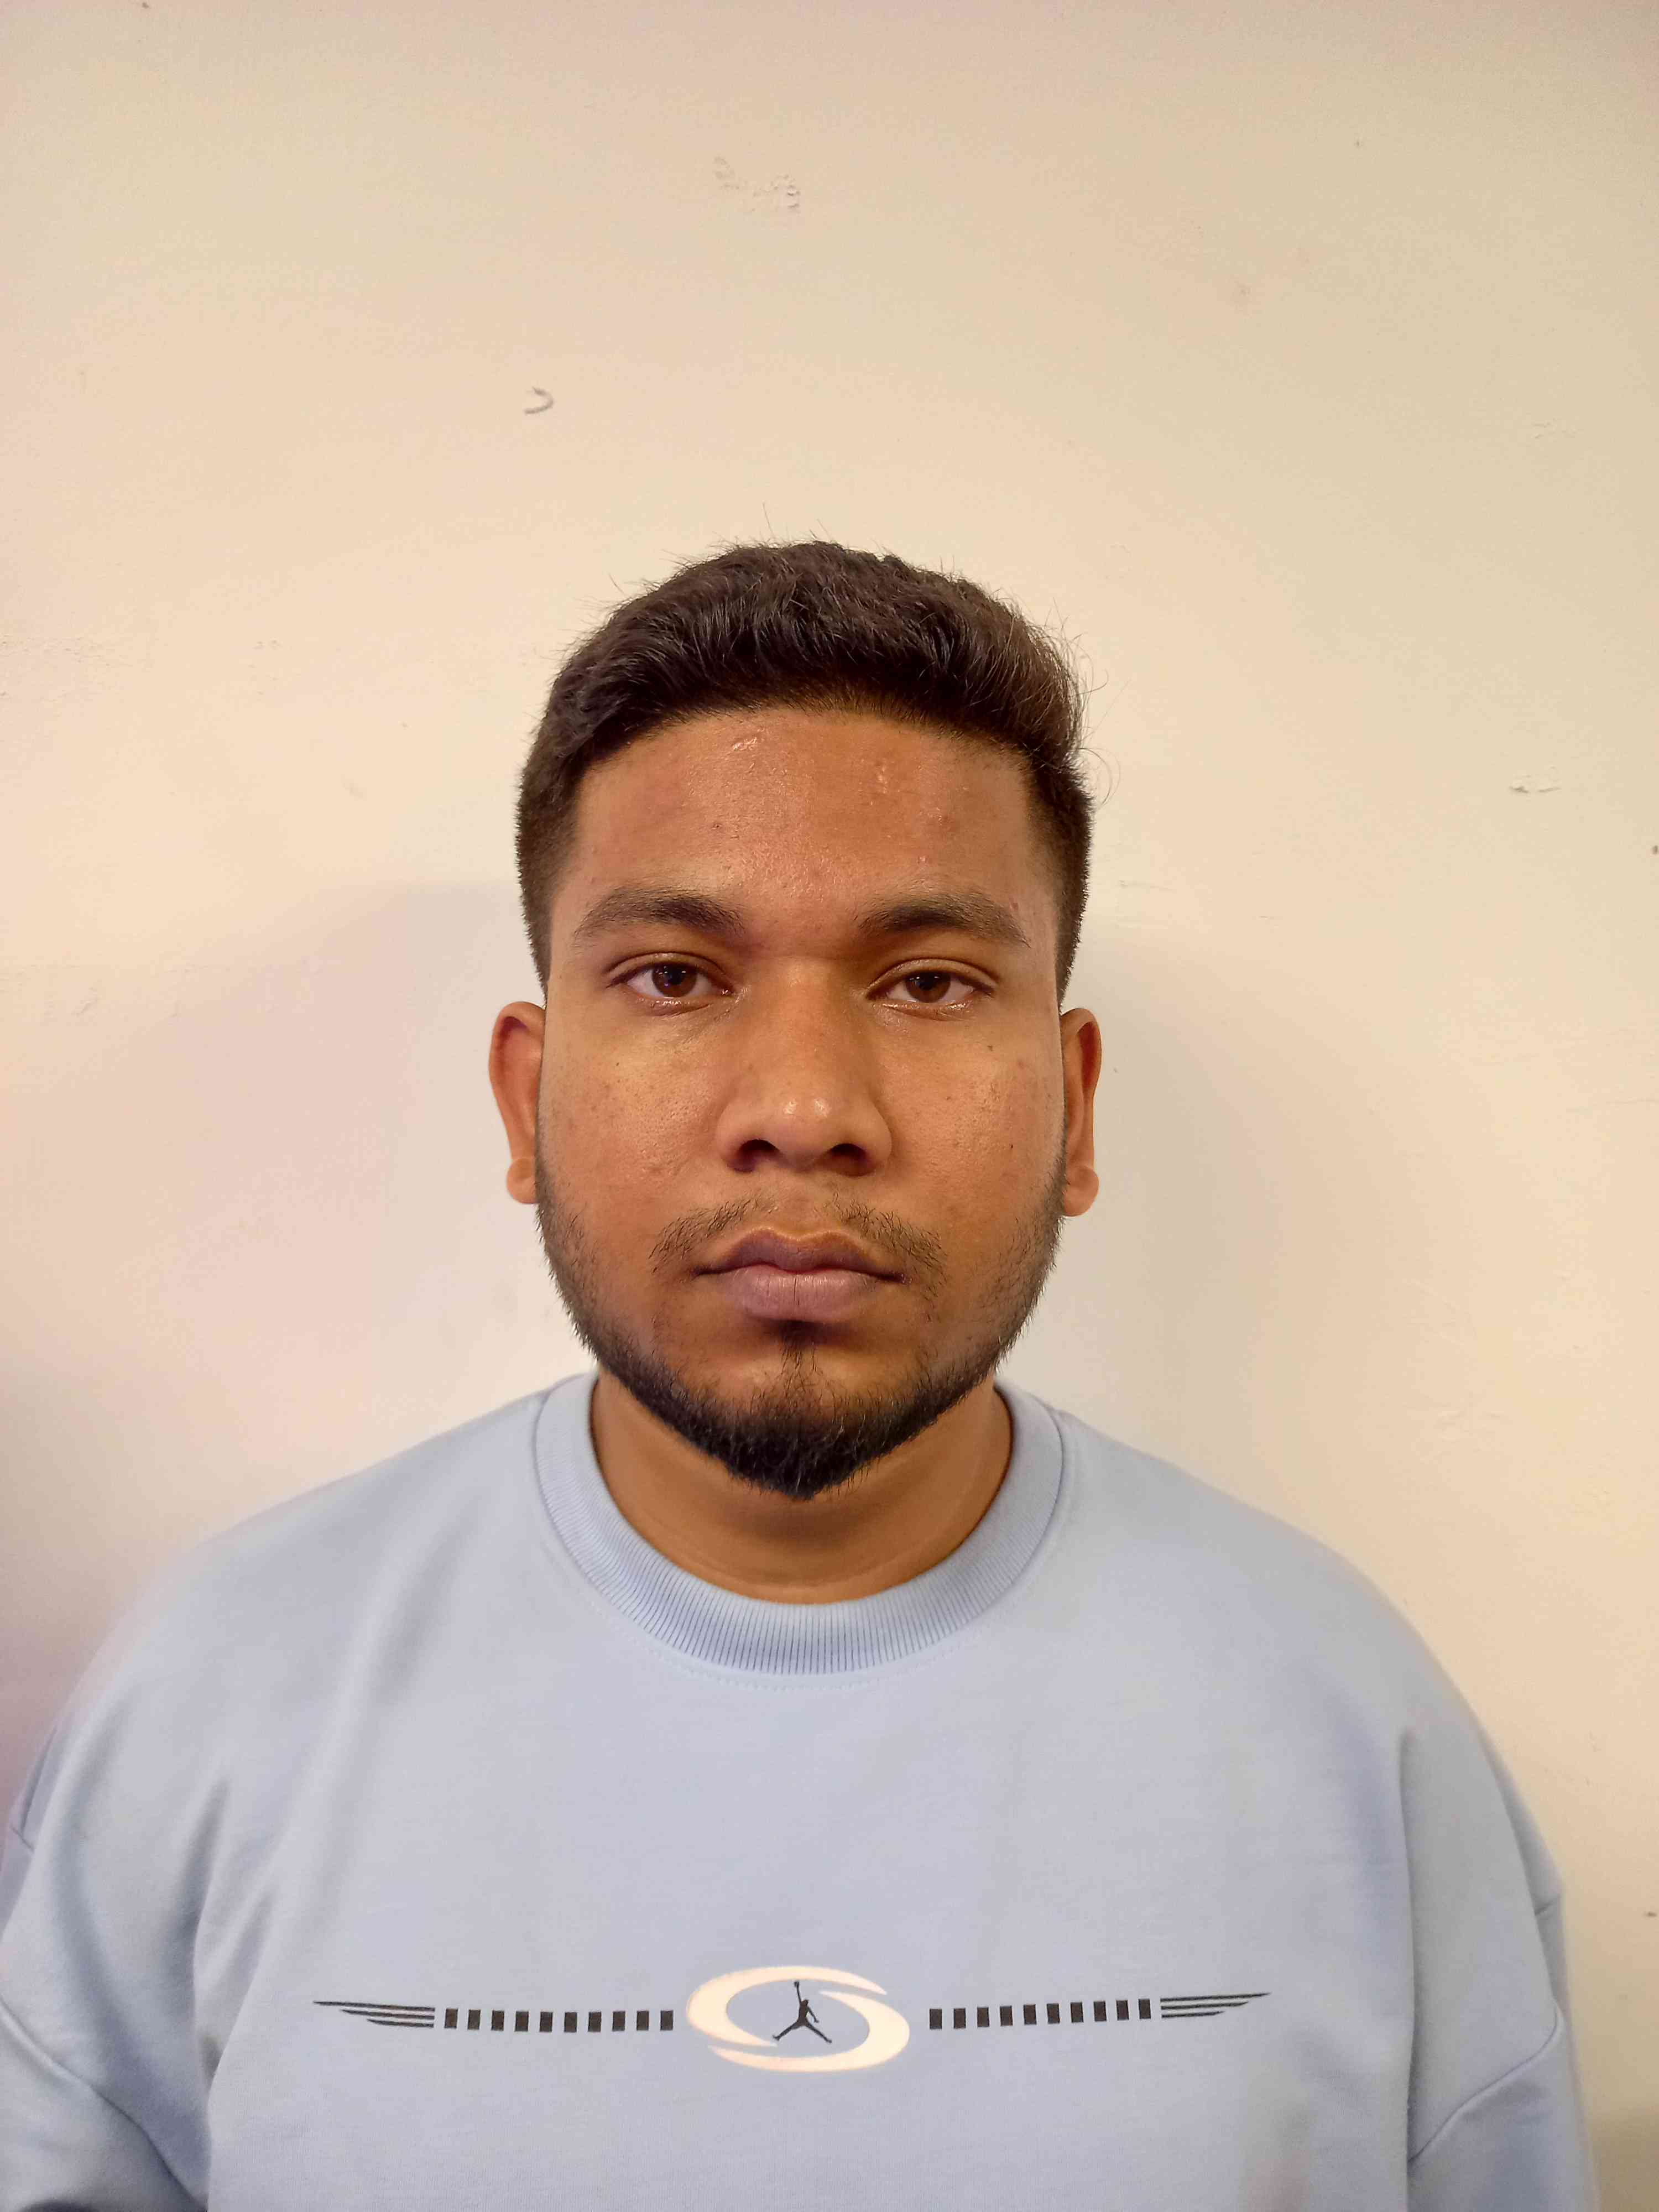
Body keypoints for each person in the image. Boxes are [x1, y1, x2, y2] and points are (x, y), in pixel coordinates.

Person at [0, 542, 1597, 2208]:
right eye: (675, 977)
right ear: (527, 1099)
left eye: (928, 983)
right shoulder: (216, 1696)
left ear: (1075, 1106)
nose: (805, 1109)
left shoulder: (1346, 1721)